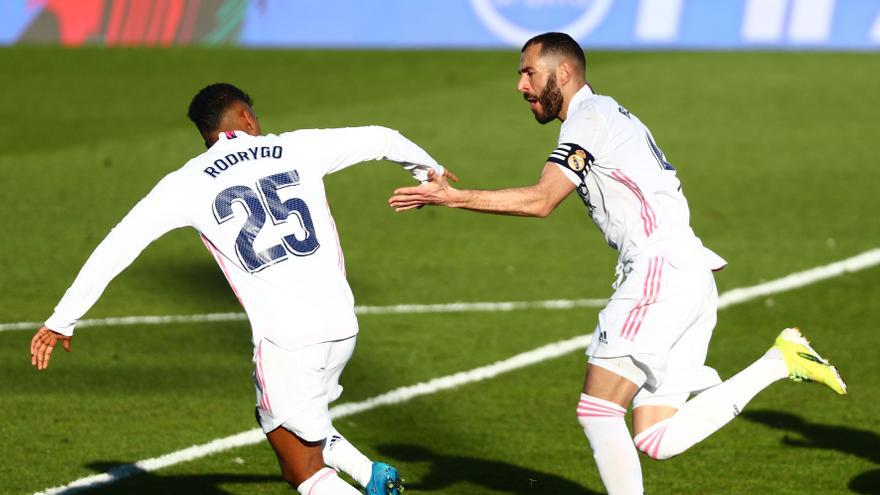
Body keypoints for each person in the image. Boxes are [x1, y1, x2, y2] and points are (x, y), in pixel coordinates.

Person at [388, 32, 847, 494]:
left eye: (528, 72)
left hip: (659, 272)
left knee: (598, 411)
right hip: (686, 272)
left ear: (562, 73)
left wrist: (453, 197)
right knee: (655, 437)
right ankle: (779, 361)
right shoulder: (609, 114)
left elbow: (543, 199)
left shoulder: (589, 117)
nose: (521, 86)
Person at [30, 82, 456, 495]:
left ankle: (365, 479)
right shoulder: (296, 146)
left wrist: (62, 319)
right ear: (247, 117)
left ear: (205, 134)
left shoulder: (185, 182)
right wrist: (428, 172)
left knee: (302, 471)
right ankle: (371, 475)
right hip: (341, 326)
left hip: (287, 339)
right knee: (294, 421)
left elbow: (118, 245)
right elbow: (383, 137)